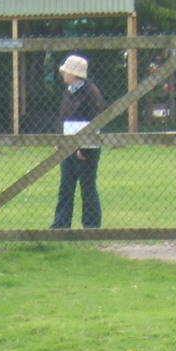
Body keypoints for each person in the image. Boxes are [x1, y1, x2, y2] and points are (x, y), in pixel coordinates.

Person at [51, 54, 102, 230]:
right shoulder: (68, 92)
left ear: (74, 73)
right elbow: (63, 118)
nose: (63, 74)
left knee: (87, 187)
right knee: (66, 186)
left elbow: (93, 121)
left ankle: (92, 225)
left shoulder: (91, 93)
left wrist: (84, 148)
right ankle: (60, 224)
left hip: (85, 148)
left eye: (66, 71)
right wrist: (59, 140)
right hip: (68, 147)